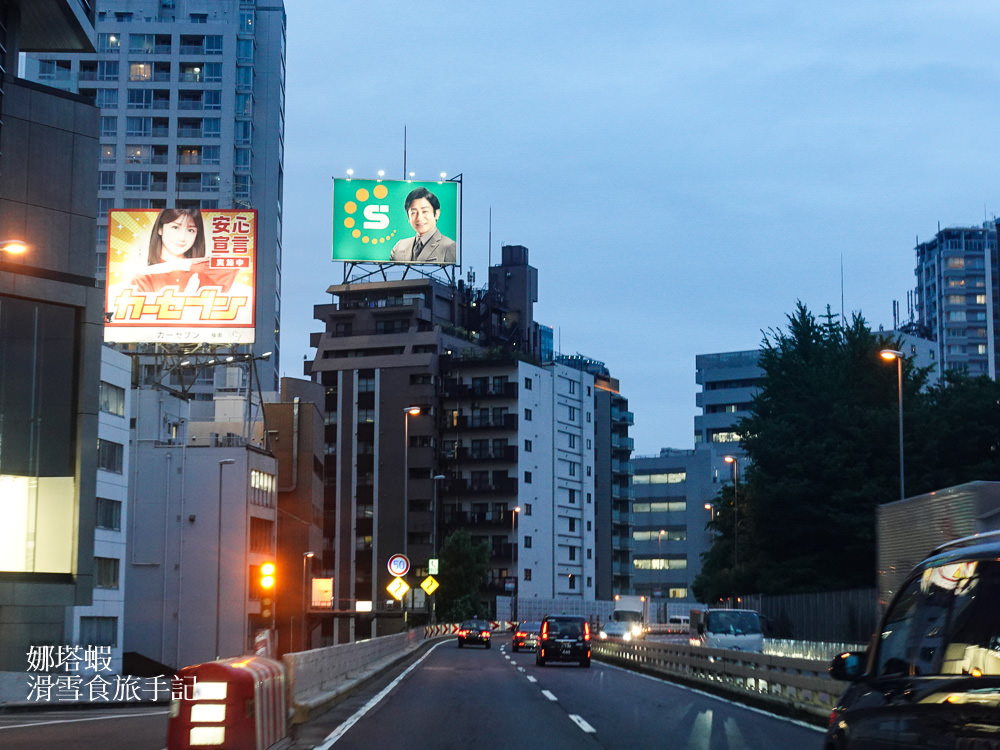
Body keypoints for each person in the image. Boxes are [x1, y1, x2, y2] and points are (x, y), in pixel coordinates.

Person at [132, 208, 238, 293]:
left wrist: (179, 265)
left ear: (197, 234)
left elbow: (234, 264)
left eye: (190, 230)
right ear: (160, 229)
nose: (182, 237)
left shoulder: (202, 273)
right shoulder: (144, 276)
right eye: (175, 227)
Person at [389, 187, 457, 264]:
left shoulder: (449, 246)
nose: (419, 218)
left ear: (436, 214)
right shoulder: (399, 246)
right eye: (413, 212)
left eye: (424, 211)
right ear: (408, 217)